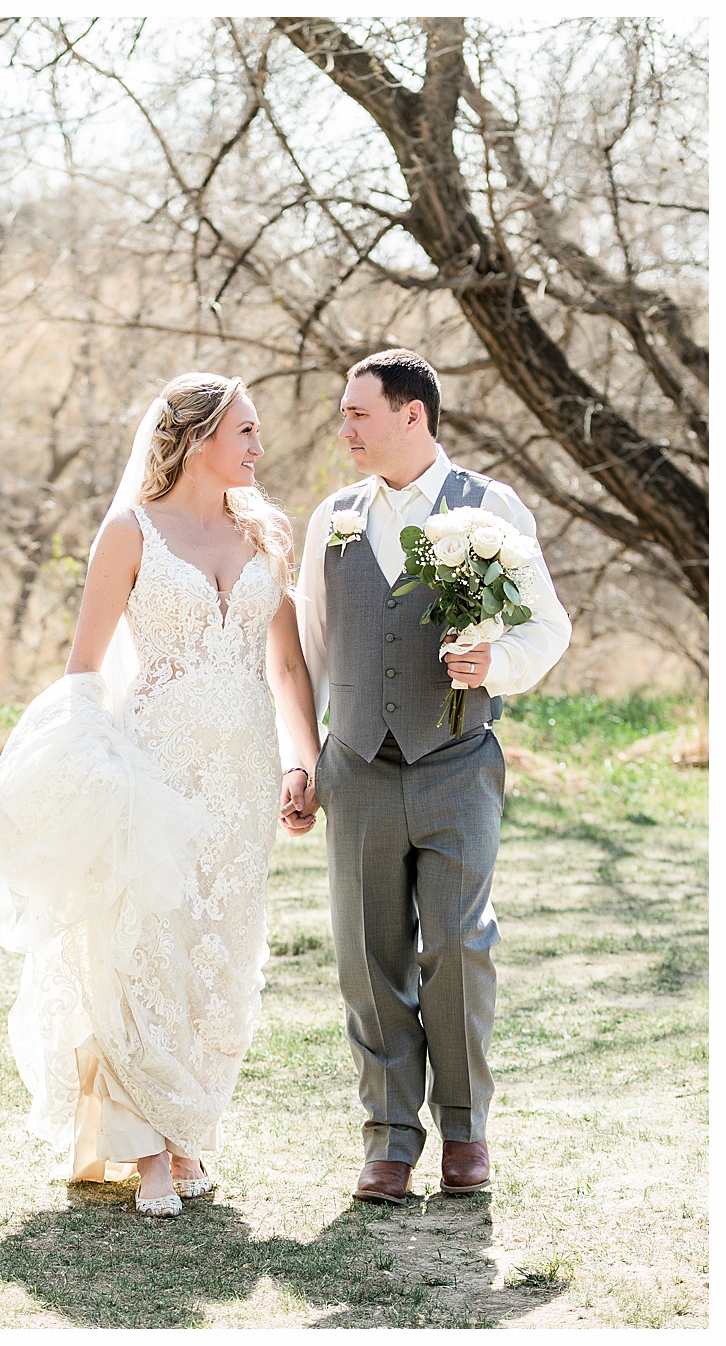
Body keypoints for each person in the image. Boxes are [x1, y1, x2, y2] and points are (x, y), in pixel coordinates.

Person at [0, 373, 320, 1217]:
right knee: (144, 943)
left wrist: (299, 758)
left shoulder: (268, 534)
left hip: (241, 776)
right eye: (244, 431)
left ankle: (189, 1131)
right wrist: (85, 775)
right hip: (152, 767)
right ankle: (146, 1152)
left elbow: (286, 663)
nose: (256, 447)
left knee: (222, 948)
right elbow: (85, 669)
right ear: (199, 439)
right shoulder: (128, 533)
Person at [293, 348, 569, 1204]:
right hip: (357, 768)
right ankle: (387, 1137)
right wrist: (301, 761)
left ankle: (464, 1129)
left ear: (413, 415)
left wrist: (496, 661)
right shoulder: (332, 518)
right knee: (368, 959)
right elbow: (306, 649)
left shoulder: (491, 507)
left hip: (456, 763)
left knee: (458, 947)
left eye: (358, 414)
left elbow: (547, 628)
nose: (344, 427)